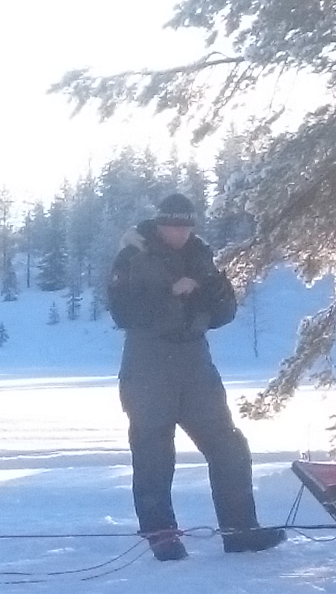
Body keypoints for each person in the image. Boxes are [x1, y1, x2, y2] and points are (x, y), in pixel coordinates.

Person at [104, 192, 282, 560]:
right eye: (172, 225)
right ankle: (162, 536)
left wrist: (205, 289)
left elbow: (224, 311)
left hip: (195, 364)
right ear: (160, 223)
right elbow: (124, 313)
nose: (179, 233)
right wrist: (172, 295)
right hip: (147, 367)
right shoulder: (133, 256)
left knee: (228, 446)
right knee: (153, 452)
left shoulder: (200, 254)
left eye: (185, 226)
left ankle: (240, 531)